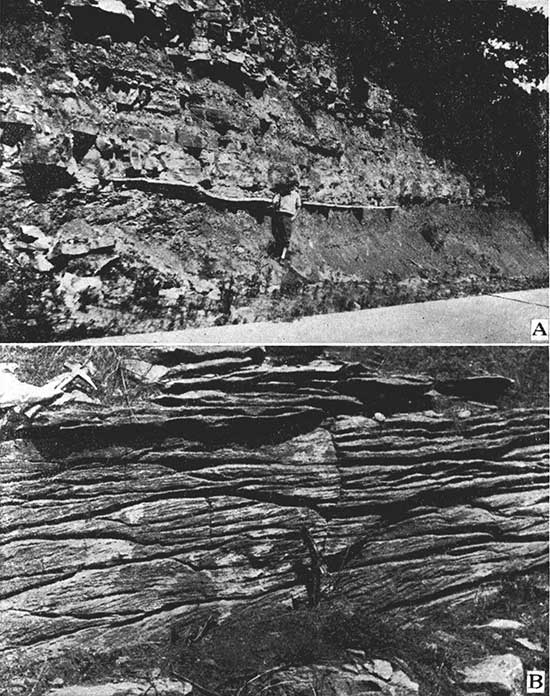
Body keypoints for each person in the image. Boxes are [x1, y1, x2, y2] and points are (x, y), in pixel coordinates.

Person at [271, 183, 301, 261]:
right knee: (278, 235)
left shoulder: (295, 195)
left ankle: (282, 257)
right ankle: (277, 254)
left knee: (286, 237)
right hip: (279, 215)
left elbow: (299, 206)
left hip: (288, 216)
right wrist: (275, 204)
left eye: (292, 186)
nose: (291, 188)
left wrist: (294, 217)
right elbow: (274, 202)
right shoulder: (281, 193)